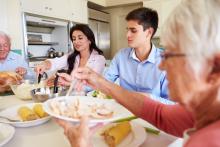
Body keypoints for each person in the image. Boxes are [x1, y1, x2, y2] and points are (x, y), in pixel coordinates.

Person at [56, 0, 220, 146]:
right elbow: (159, 114)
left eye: (171, 54)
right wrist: (99, 82)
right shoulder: (202, 112)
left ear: (214, 68)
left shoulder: (209, 140)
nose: (162, 66)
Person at [104, 7, 172, 104]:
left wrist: (148, 98)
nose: (127, 35)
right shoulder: (121, 56)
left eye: (133, 30)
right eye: (127, 30)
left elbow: (174, 105)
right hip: (123, 113)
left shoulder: (166, 62)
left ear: (149, 32)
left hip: (153, 116)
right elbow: (105, 82)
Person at [34, 24, 106, 90]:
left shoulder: (99, 59)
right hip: (73, 95)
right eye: (74, 39)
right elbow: (55, 62)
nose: (76, 41)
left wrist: (69, 83)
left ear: (89, 40)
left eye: (80, 38)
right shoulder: (72, 56)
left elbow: (93, 85)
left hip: (90, 98)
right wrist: (44, 64)